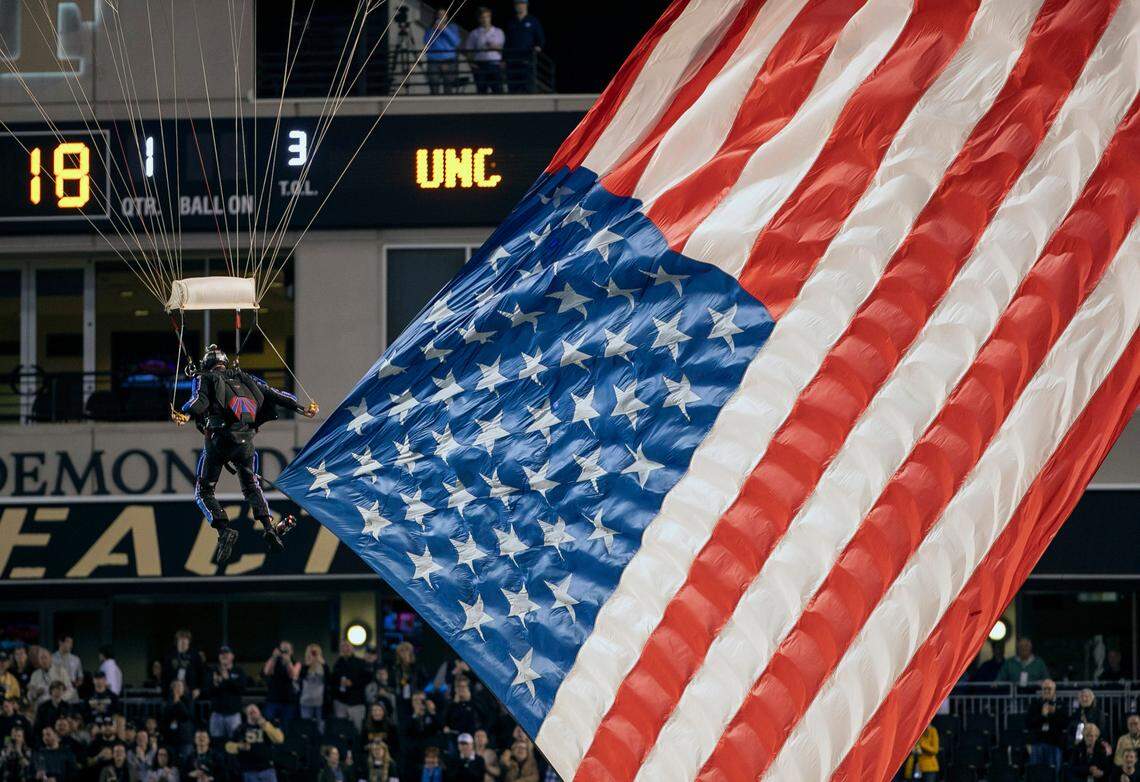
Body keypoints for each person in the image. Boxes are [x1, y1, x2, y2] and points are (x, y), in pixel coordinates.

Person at [173, 344, 317, 564]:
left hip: (219, 440)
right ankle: (269, 528)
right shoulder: (245, 378)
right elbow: (275, 394)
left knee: (204, 490)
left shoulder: (205, 377)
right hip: (246, 442)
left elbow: (199, 402)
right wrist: (302, 408)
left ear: (207, 365)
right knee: (251, 486)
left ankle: (223, 529)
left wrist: (184, 414)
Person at [224, 704, 284, 782]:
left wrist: (265, 725)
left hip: (267, 770)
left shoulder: (269, 724)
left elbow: (279, 739)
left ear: (260, 712)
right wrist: (239, 746)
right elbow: (228, 746)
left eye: (255, 709)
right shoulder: (241, 728)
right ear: (246, 714)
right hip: (249, 771)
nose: (252, 710)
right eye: (250, 710)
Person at [205, 646, 249, 739]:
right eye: (222, 654)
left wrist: (228, 679)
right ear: (219, 657)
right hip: (217, 714)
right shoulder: (212, 671)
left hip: (233, 714)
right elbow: (208, 692)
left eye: (227, 653)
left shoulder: (238, 671)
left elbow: (242, 689)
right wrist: (215, 684)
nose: (224, 655)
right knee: (216, 742)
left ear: (232, 656)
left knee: (235, 741)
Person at [503, 0, 545, 93]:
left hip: (527, 59)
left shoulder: (533, 21)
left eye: (522, 3)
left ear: (526, 5)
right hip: (512, 61)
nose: (520, 6)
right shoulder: (511, 22)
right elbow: (506, 42)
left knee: (528, 86)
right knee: (513, 87)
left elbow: (540, 39)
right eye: (518, 4)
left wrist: (538, 47)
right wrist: (504, 58)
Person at [1029, 679, 1069, 771]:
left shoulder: (1061, 705)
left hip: (1055, 743)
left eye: (1049, 689)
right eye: (1044, 689)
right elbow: (1029, 723)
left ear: (1054, 690)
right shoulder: (1035, 704)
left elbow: (1065, 724)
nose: (1046, 691)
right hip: (1037, 742)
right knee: (1036, 772)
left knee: (1053, 773)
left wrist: (1054, 712)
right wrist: (1042, 715)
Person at [464, 7, 504, 94]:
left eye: (487, 17)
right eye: (483, 17)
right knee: (481, 91)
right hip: (480, 65)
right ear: (479, 19)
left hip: (495, 64)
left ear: (490, 17)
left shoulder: (498, 32)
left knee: (498, 90)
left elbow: (504, 49)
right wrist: (471, 64)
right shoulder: (474, 33)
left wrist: (494, 47)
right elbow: (469, 50)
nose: (485, 19)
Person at [261, 642, 300, 727]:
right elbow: (266, 672)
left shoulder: (296, 663)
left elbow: (293, 675)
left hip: (288, 700)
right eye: (282, 650)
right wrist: (274, 657)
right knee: (269, 724)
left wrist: (288, 662)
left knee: (287, 726)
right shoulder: (274, 661)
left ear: (291, 651)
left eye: (287, 650)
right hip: (273, 699)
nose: (284, 652)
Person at [331, 642, 367, 732]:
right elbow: (332, 680)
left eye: (348, 647)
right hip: (340, 702)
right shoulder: (337, 664)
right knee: (341, 729)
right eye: (343, 647)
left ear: (352, 649)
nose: (345, 649)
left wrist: (352, 683)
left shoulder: (360, 662)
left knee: (357, 729)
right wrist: (340, 682)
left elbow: (366, 679)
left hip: (357, 702)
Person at [424, 7, 461, 95]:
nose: (441, 17)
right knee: (433, 86)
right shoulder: (430, 28)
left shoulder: (453, 27)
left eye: (443, 15)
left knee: (448, 86)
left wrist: (445, 29)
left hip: (449, 60)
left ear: (447, 17)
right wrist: (434, 30)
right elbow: (426, 42)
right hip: (433, 60)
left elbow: (456, 42)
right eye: (439, 15)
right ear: (436, 16)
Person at [161, 680, 196, 758]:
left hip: (184, 738)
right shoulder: (168, 701)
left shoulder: (188, 700)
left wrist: (178, 702)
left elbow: (186, 715)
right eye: (176, 687)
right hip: (171, 739)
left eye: (180, 686)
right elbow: (166, 716)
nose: (178, 689)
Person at [163, 631, 203, 698]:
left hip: (189, 691)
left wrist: (199, 689)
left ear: (189, 641)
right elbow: (165, 675)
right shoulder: (170, 656)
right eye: (180, 639)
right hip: (173, 692)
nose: (183, 642)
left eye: (185, 639)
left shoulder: (195, 656)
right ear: (177, 641)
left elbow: (201, 674)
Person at [299, 644, 330, 729]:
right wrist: (308, 664)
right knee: (306, 727)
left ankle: (320, 742)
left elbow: (329, 679)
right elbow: (300, 677)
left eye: (315, 652)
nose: (314, 654)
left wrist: (322, 663)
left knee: (321, 727)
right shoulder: (304, 666)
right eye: (312, 652)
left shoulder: (323, 667)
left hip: (320, 702)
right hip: (306, 701)